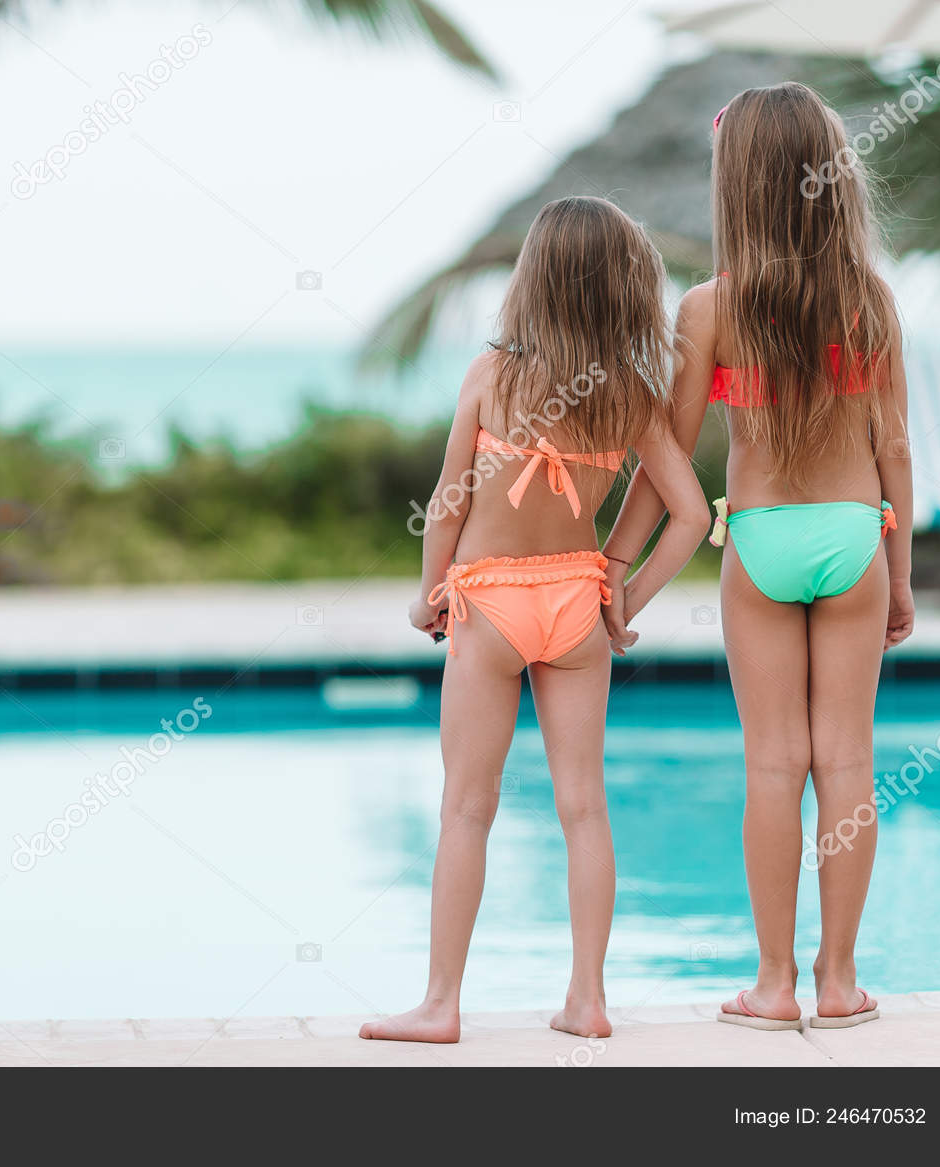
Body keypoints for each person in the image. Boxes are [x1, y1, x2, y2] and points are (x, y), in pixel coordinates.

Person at [360, 196, 709, 1043]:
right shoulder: (629, 393)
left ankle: (441, 1004)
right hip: (577, 608)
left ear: (532, 280)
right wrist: (624, 600)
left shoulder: (491, 375)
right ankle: (587, 1000)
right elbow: (694, 515)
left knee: (466, 809)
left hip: (490, 606)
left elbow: (447, 502)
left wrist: (427, 593)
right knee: (584, 808)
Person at [604, 84, 915, 1031]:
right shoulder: (870, 302)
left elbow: (665, 460)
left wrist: (615, 567)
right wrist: (902, 577)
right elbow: (897, 450)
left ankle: (774, 985)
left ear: (737, 187)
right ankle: (840, 981)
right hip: (856, 536)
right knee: (847, 760)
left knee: (774, 765)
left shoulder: (710, 309)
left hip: (763, 538)